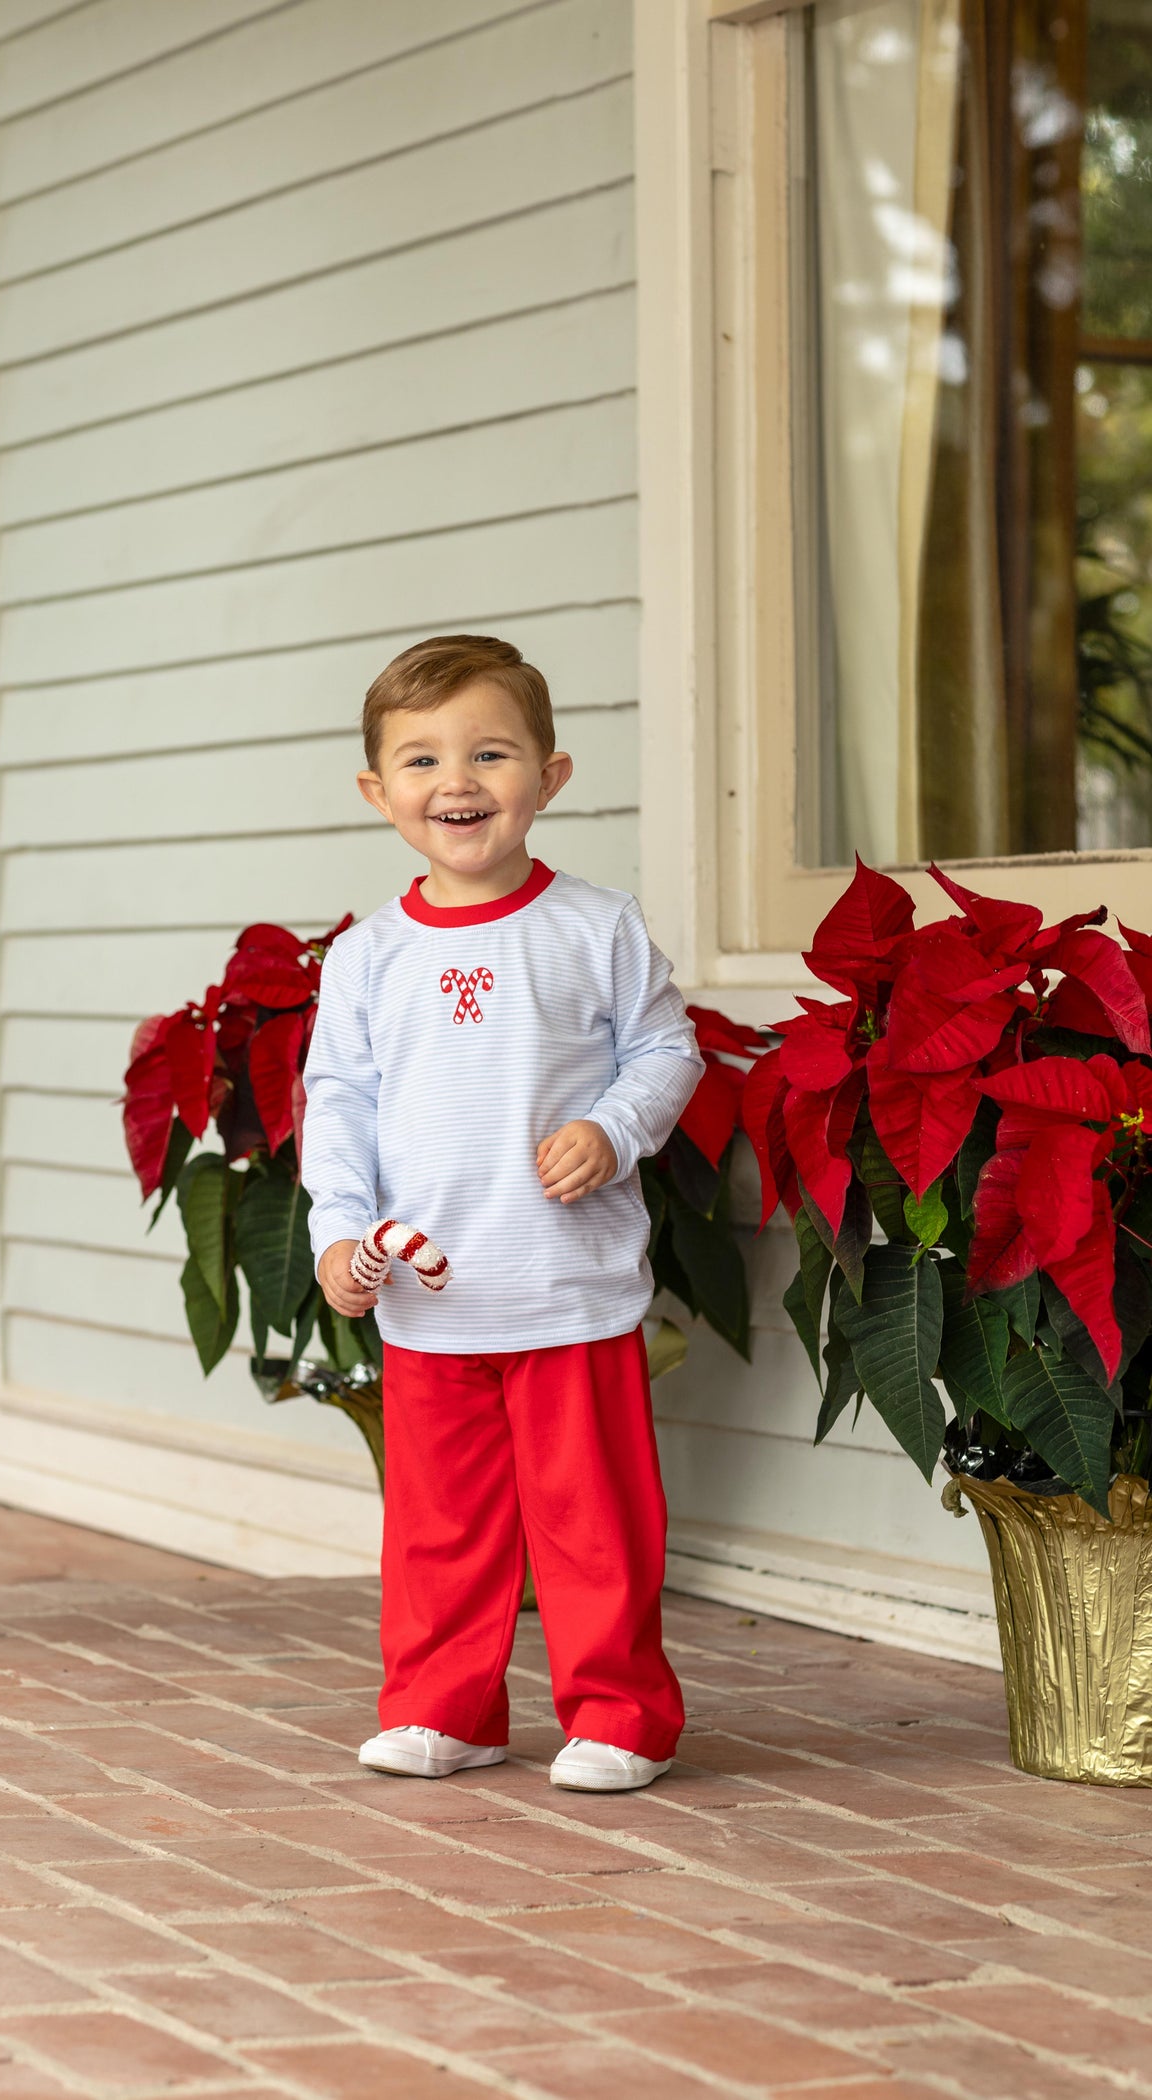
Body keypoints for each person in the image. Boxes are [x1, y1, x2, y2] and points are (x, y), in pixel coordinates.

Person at [300, 635, 704, 1792]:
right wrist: (339, 1226)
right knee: (441, 1529)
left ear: (550, 775)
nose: (456, 781)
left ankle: (619, 1716)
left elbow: (663, 1051)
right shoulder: (368, 957)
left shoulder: (593, 926)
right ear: (380, 793)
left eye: (489, 752)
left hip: (564, 1289)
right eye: (420, 759)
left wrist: (613, 1128)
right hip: (432, 1303)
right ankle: (444, 1706)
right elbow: (339, 1100)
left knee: (592, 1525)